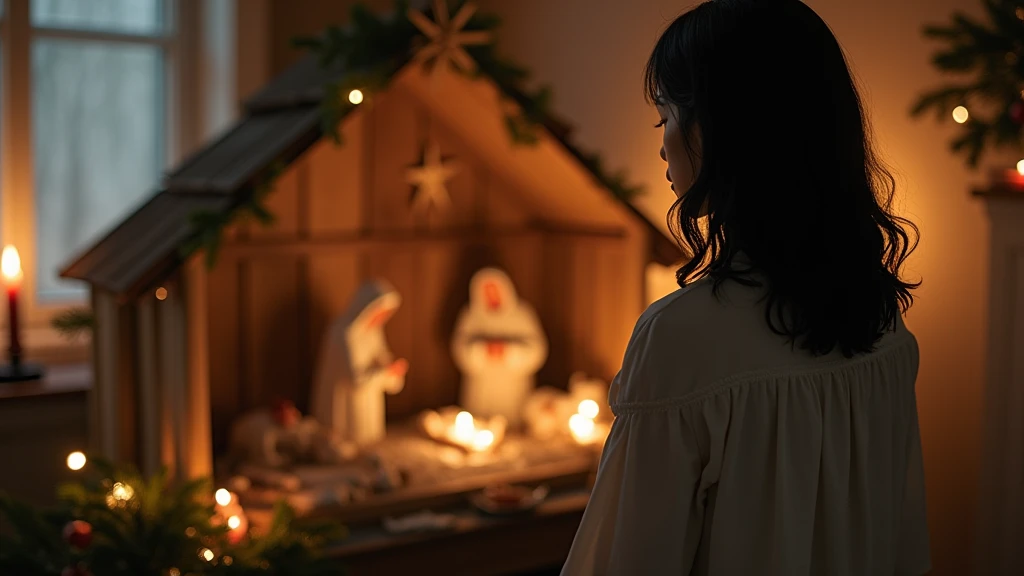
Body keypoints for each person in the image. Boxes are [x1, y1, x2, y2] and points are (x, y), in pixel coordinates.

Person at [560, 1, 930, 574]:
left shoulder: (679, 337)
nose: (662, 145)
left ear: (726, 127)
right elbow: (901, 534)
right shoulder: (883, 321)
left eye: (665, 117)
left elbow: (625, 560)